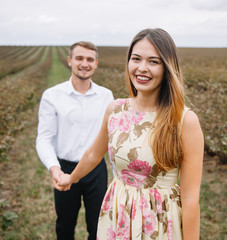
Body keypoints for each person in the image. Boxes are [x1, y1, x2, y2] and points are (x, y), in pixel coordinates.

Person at [58, 28, 204, 239]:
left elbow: (190, 198)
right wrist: (71, 178)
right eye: (136, 59)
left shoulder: (184, 120)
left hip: (159, 221)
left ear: (167, 68)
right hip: (118, 213)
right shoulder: (115, 110)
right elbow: (93, 154)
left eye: (154, 61)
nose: (142, 68)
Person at [36, 41, 114, 240]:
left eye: (90, 59)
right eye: (79, 58)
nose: (84, 63)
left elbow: (112, 139)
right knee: (65, 224)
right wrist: (55, 169)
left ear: (96, 63)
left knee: (98, 226)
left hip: (95, 169)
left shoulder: (106, 96)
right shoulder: (52, 96)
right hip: (65, 169)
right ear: (70, 61)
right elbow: (44, 138)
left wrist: (117, 175)